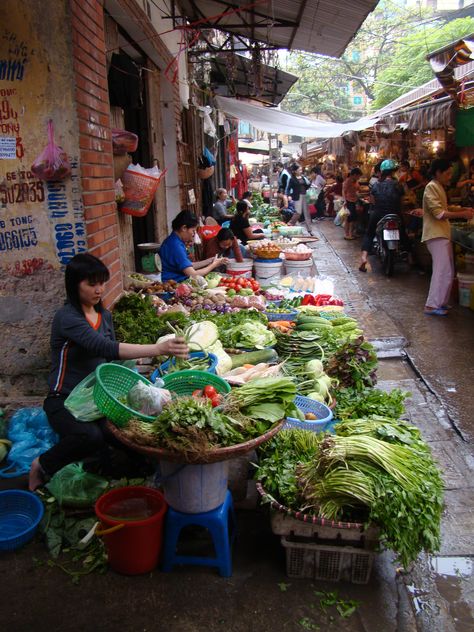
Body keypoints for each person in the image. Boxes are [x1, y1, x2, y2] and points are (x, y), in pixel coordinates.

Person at [28, 253, 190, 491]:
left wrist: (141, 389)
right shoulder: (67, 318)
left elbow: (111, 358)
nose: (99, 289)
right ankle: (41, 465)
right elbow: (103, 347)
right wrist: (158, 347)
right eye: (91, 284)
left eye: (102, 282)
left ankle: (144, 475)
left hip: (97, 398)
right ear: (74, 285)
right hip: (64, 399)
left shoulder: (104, 316)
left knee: (129, 433)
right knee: (90, 436)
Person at [422, 158, 474, 316]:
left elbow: (443, 207)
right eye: (448, 173)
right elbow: (439, 213)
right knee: (441, 270)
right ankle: (432, 305)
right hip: (436, 234)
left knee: (447, 270)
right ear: (438, 172)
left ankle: (441, 302)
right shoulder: (431, 187)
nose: (450, 176)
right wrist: (462, 213)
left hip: (443, 233)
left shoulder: (438, 187)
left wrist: (460, 208)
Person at [359, 159, 405, 272]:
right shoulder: (399, 185)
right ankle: (411, 257)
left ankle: (364, 258)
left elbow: (373, 202)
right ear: (394, 172)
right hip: (395, 213)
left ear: (382, 171)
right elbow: (402, 202)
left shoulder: (376, 185)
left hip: (378, 213)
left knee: (369, 233)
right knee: (403, 232)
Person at [159, 210, 228, 282]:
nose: (193, 234)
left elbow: (188, 266)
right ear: (184, 228)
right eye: (193, 231)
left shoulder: (174, 240)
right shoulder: (175, 246)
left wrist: (210, 261)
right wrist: (213, 265)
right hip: (173, 283)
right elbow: (193, 275)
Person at [286, 163, 313, 235]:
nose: (301, 171)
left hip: (305, 196)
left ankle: (310, 230)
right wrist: (288, 195)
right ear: (295, 171)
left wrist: (310, 184)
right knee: (298, 212)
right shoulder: (292, 179)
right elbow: (288, 189)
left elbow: (307, 185)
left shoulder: (303, 177)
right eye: (299, 169)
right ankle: (290, 223)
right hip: (297, 197)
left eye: (301, 169)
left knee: (307, 213)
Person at [342, 167, 363, 240]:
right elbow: (344, 192)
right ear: (354, 175)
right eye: (358, 176)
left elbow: (358, 189)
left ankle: (351, 233)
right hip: (349, 201)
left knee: (353, 218)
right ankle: (348, 234)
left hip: (354, 201)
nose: (359, 177)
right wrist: (344, 201)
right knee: (349, 218)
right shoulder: (347, 182)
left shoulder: (355, 182)